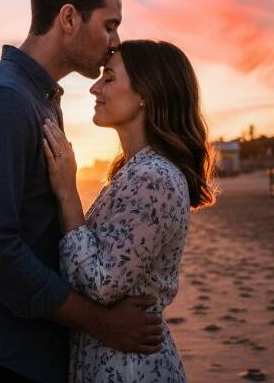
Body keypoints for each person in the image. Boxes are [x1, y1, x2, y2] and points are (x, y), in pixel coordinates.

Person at [0, 0, 164, 383]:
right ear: (69, 18)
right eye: (110, 24)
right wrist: (99, 320)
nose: (115, 41)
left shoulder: (36, 98)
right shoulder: (3, 100)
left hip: (25, 353)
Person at [42, 40, 217, 382]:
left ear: (145, 94)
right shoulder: (137, 170)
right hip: (116, 359)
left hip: (130, 367)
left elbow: (101, 283)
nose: (95, 87)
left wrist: (66, 191)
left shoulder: (154, 177)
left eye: (108, 78)